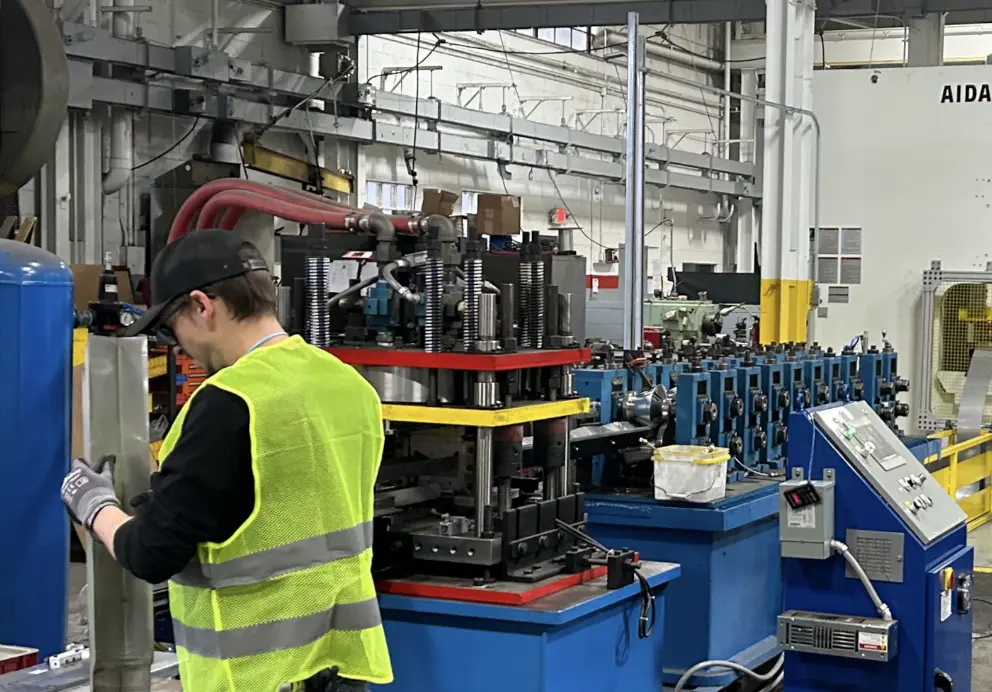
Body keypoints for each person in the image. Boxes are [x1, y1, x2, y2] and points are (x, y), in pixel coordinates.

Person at [61, 230, 392, 692]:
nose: (178, 344)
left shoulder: (229, 402)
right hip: (339, 663)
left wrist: (94, 505)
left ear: (201, 305)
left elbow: (151, 552)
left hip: (254, 675)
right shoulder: (348, 383)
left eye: (172, 324)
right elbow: (291, 501)